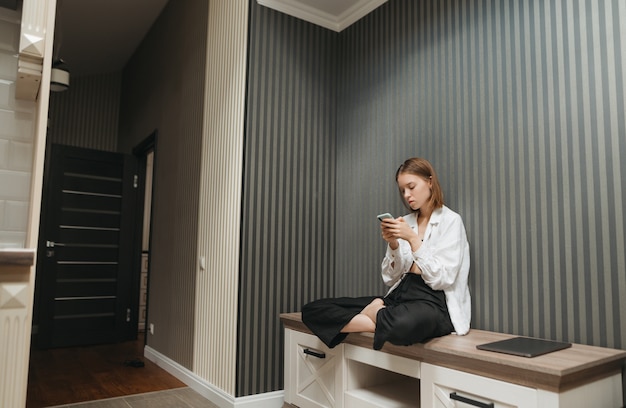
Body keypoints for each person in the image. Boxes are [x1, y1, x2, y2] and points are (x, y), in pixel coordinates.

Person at [302, 157, 471, 350]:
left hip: (433, 303)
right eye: (402, 190)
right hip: (398, 297)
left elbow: (442, 279)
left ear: (430, 182)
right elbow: (389, 278)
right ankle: (376, 317)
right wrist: (393, 245)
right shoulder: (405, 221)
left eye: (411, 187)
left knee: (403, 325)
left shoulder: (451, 221)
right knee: (312, 310)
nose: (407, 195)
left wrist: (413, 240)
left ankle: (373, 314)